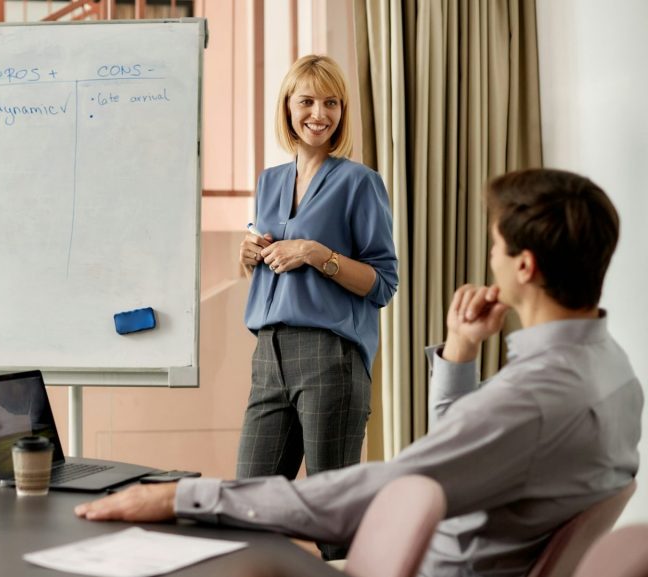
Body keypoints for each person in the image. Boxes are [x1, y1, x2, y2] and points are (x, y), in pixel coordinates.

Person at [76, 168, 643, 577]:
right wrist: (463, 350)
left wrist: (184, 497)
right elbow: (458, 451)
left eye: (495, 246)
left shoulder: (534, 397)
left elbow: (375, 493)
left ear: (524, 265)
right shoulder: (611, 371)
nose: (489, 257)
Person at [235, 54, 398, 557]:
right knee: (249, 510)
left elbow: (383, 282)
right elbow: (266, 257)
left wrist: (316, 254)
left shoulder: (359, 182)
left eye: (331, 102)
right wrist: (247, 253)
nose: (319, 113)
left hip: (330, 357)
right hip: (269, 353)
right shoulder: (268, 182)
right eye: (307, 100)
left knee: (333, 517)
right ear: (287, 107)